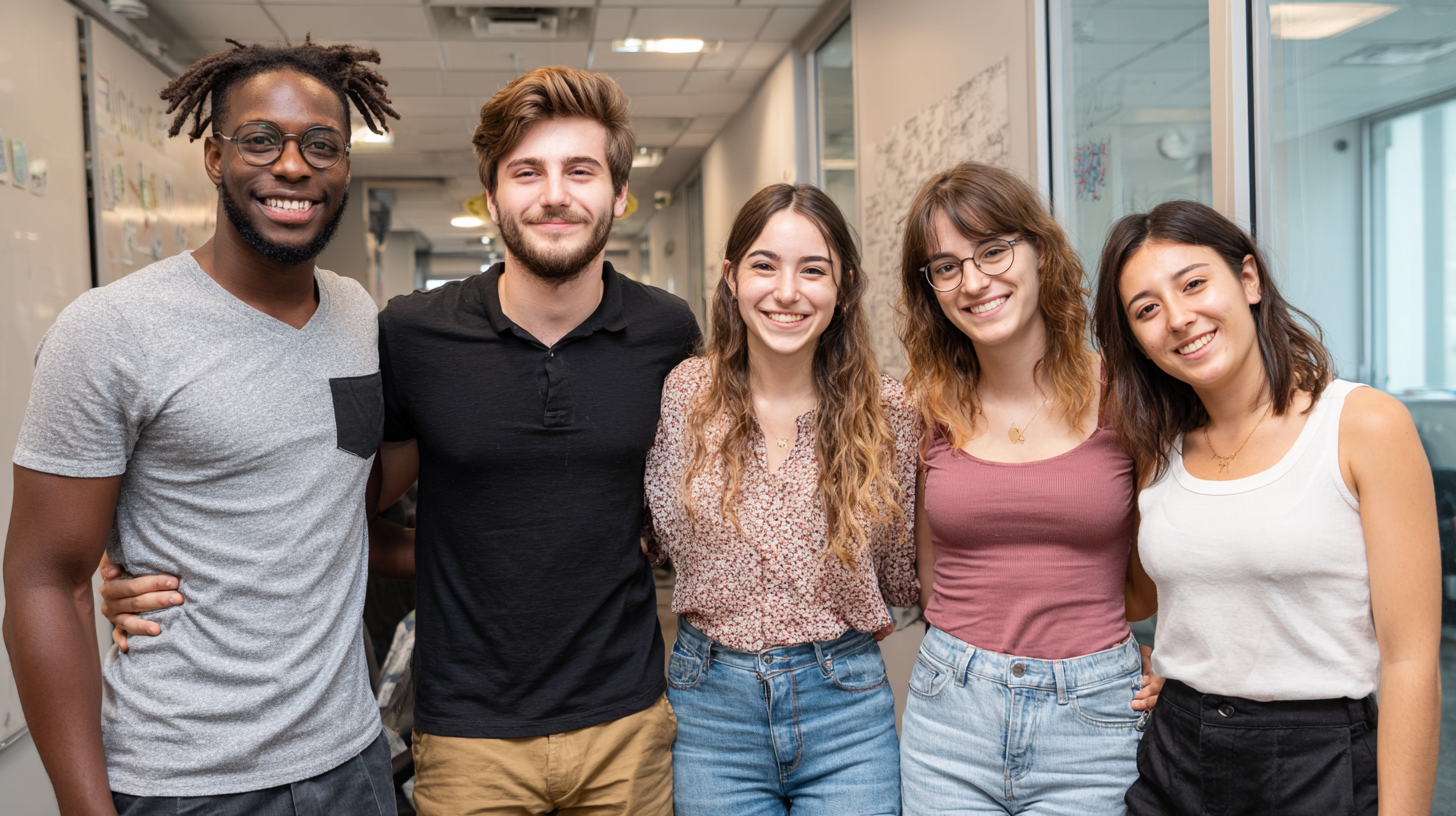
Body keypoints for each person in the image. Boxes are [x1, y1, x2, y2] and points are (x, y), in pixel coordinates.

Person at [97, 65, 698, 815]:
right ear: (492, 195)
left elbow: (709, 492)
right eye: (526, 172)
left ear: (619, 192)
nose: (554, 195)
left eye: (581, 170)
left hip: (628, 722)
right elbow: (330, 499)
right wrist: (151, 561)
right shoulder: (412, 335)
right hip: (467, 732)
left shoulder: (667, 332)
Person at [3, 40, 400, 815]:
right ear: (216, 157)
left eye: (321, 145)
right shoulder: (111, 330)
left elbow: (337, 498)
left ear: (346, 168)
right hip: (184, 781)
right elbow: (43, 581)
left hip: (353, 761)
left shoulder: (357, 315)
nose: (293, 166)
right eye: (261, 140)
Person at [1094, 200, 1441, 815]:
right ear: (1138, 343)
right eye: (1146, 310)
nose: (1178, 318)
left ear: (1249, 279)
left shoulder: (1363, 424)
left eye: (1193, 284)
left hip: (1316, 763)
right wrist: (1148, 660)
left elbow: (1410, 662)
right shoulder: (1157, 449)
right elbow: (1140, 599)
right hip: (1176, 755)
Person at [894, 162, 1159, 815]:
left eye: (993, 250)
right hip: (951, 717)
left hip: (1093, 717)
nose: (974, 281)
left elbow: (1170, 558)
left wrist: (1174, 656)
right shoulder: (926, 408)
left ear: (1040, 251)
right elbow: (929, 571)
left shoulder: (1125, 397)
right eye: (946, 266)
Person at [644, 183, 917, 816]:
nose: (787, 292)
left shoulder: (888, 410)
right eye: (764, 265)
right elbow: (659, 537)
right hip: (710, 706)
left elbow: (903, 574)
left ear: (845, 285)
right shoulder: (686, 394)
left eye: (813, 270)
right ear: (731, 278)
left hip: (844, 708)